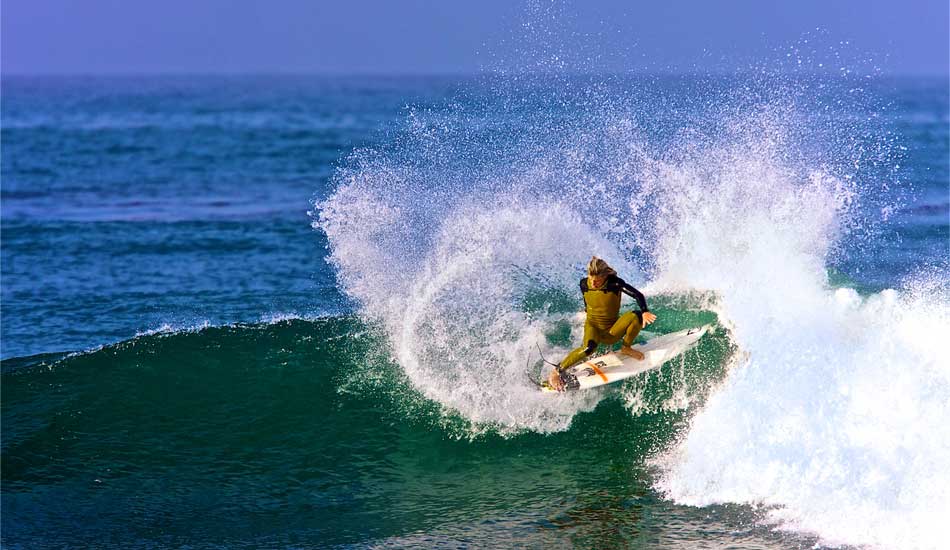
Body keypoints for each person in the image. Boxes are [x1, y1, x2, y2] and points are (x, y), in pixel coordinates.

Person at [548, 256, 657, 391]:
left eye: (598, 281)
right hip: (593, 326)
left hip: (611, 330)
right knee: (589, 348)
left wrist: (645, 311)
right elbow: (586, 300)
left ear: (605, 276)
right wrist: (586, 310)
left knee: (636, 316)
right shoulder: (584, 284)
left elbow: (637, 294)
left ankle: (626, 347)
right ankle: (557, 371)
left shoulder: (614, 284)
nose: (594, 284)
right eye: (592, 280)